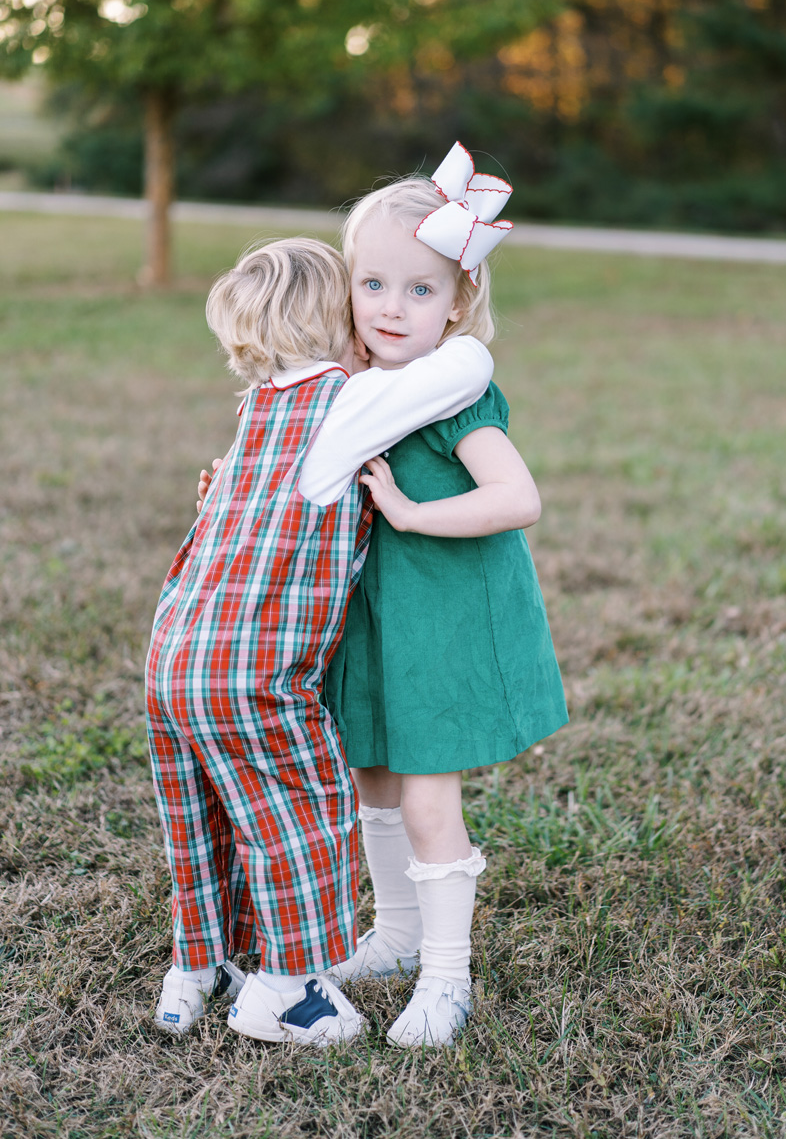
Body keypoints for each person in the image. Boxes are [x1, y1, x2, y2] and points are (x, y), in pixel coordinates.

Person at [147, 236, 493, 1046]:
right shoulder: (344, 404)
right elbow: (467, 366)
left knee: (203, 818)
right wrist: (454, 308)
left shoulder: (255, 410)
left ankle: (195, 968)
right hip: (255, 672)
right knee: (297, 818)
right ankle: (288, 994)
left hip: (174, 656)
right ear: (336, 320)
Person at [318, 143, 569, 1047]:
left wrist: (415, 514)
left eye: (420, 290)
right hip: (376, 618)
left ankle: (446, 978)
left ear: (457, 304)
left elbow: (518, 497)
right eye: (373, 283)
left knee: (427, 794)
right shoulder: (350, 389)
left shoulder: (455, 392)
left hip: (444, 618)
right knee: (374, 778)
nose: (391, 307)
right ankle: (393, 935)